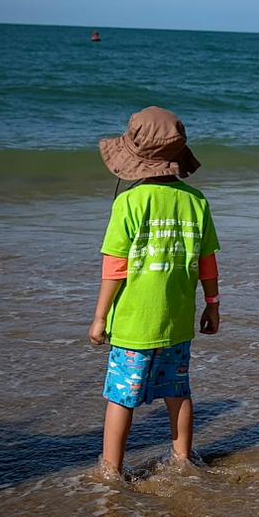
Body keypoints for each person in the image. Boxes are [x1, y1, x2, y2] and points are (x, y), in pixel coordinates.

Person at [89, 107, 221, 477]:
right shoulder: (196, 201)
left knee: (121, 397)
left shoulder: (129, 202)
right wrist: (212, 305)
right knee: (178, 391)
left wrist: (100, 317)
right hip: (176, 320)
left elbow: (116, 267)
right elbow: (207, 261)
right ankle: (183, 460)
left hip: (134, 324)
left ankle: (111, 471)